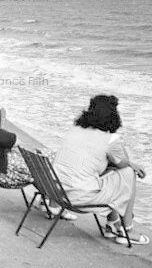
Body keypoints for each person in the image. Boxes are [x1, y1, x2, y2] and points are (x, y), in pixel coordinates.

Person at [53, 95, 149, 245]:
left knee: (108, 174)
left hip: (57, 190)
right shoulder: (110, 140)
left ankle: (113, 224)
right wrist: (131, 163)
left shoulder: (75, 130)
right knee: (128, 173)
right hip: (78, 196)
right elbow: (123, 164)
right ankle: (126, 230)